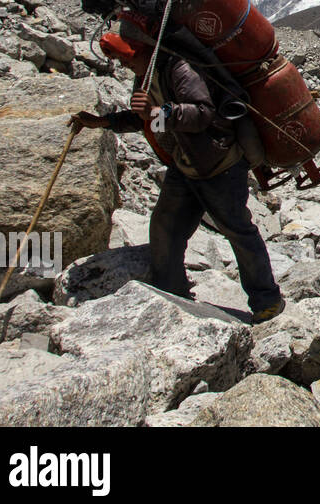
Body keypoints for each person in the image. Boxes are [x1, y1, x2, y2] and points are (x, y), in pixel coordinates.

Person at [72, 40, 285, 324]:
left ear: (143, 50)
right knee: (165, 228)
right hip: (186, 165)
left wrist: (159, 113)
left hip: (219, 166)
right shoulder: (147, 76)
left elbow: (203, 114)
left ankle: (267, 301)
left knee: (237, 231)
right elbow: (146, 122)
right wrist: (103, 122)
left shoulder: (181, 69)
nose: (124, 65)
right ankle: (171, 295)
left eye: (126, 58)